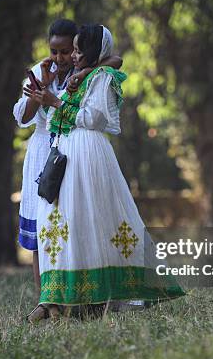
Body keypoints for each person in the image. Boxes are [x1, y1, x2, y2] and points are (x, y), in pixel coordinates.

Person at [25, 24, 185, 322]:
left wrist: (56, 101)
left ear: (91, 52)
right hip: (68, 155)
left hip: (89, 155)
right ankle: (65, 299)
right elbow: (57, 115)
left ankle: (104, 296)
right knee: (65, 221)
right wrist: (46, 96)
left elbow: (93, 118)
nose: (72, 56)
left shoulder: (104, 78)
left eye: (76, 50)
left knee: (96, 217)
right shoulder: (82, 77)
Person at [13, 19, 123, 300]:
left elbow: (115, 59)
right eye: (54, 51)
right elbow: (23, 117)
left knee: (71, 219)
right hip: (42, 150)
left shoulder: (82, 67)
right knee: (42, 226)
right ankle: (44, 298)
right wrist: (41, 93)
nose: (60, 58)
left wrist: (82, 70)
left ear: (77, 47)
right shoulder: (41, 70)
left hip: (71, 149)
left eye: (66, 51)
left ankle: (75, 294)